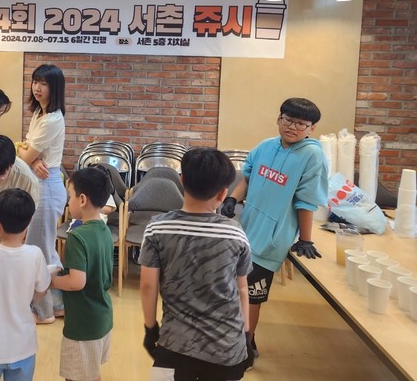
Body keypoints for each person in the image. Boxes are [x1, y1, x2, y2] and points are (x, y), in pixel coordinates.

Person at [221, 97, 327, 365]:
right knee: (236, 289)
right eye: (288, 120)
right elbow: (248, 177)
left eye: (301, 124)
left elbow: (306, 200)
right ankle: (244, 339)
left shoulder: (312, 155)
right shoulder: (266, 146)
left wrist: (305, 239)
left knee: (251, 295)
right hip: (247, 230)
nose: (293, 127)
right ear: (279, 119)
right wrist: (232, 198)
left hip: (272, 239)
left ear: (312, 128)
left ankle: (244, 350)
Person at [140, 147, 252, 380]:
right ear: (223, 193)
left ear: (182, 180)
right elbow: (242, 289)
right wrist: (247, 334)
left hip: (174, 344)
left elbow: (148, 286)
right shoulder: (235, 233)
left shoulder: (157, 228)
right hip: (227, 349)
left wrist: (150, 328)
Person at [0, 188, 51, 381]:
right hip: (23, 345)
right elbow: (41, 290)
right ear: (29, 222)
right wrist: (27, 299)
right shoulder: (35, 254)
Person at [50, 167, 113, 381]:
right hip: (102, 316)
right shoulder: (105, 230)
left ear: (82, 199)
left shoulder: (77, 237)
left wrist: (51, 281)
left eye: (70, 196)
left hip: (83, 324)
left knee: (77, 376)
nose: (69, 202)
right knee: (91, 373)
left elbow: (76, 282)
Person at [18, 64, 66, 323]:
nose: (37, 88)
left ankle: (43, 311)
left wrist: (30, 157)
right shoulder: (39, 112)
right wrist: (32, 157)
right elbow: (26, 149)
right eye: (35, 81)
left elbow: (24, 154)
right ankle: (57, 305)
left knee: (40, 252)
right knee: (45, 249)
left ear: (54, 88)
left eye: (44, 83)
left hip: (46, 186)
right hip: (39, 182)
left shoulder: (52, 119)